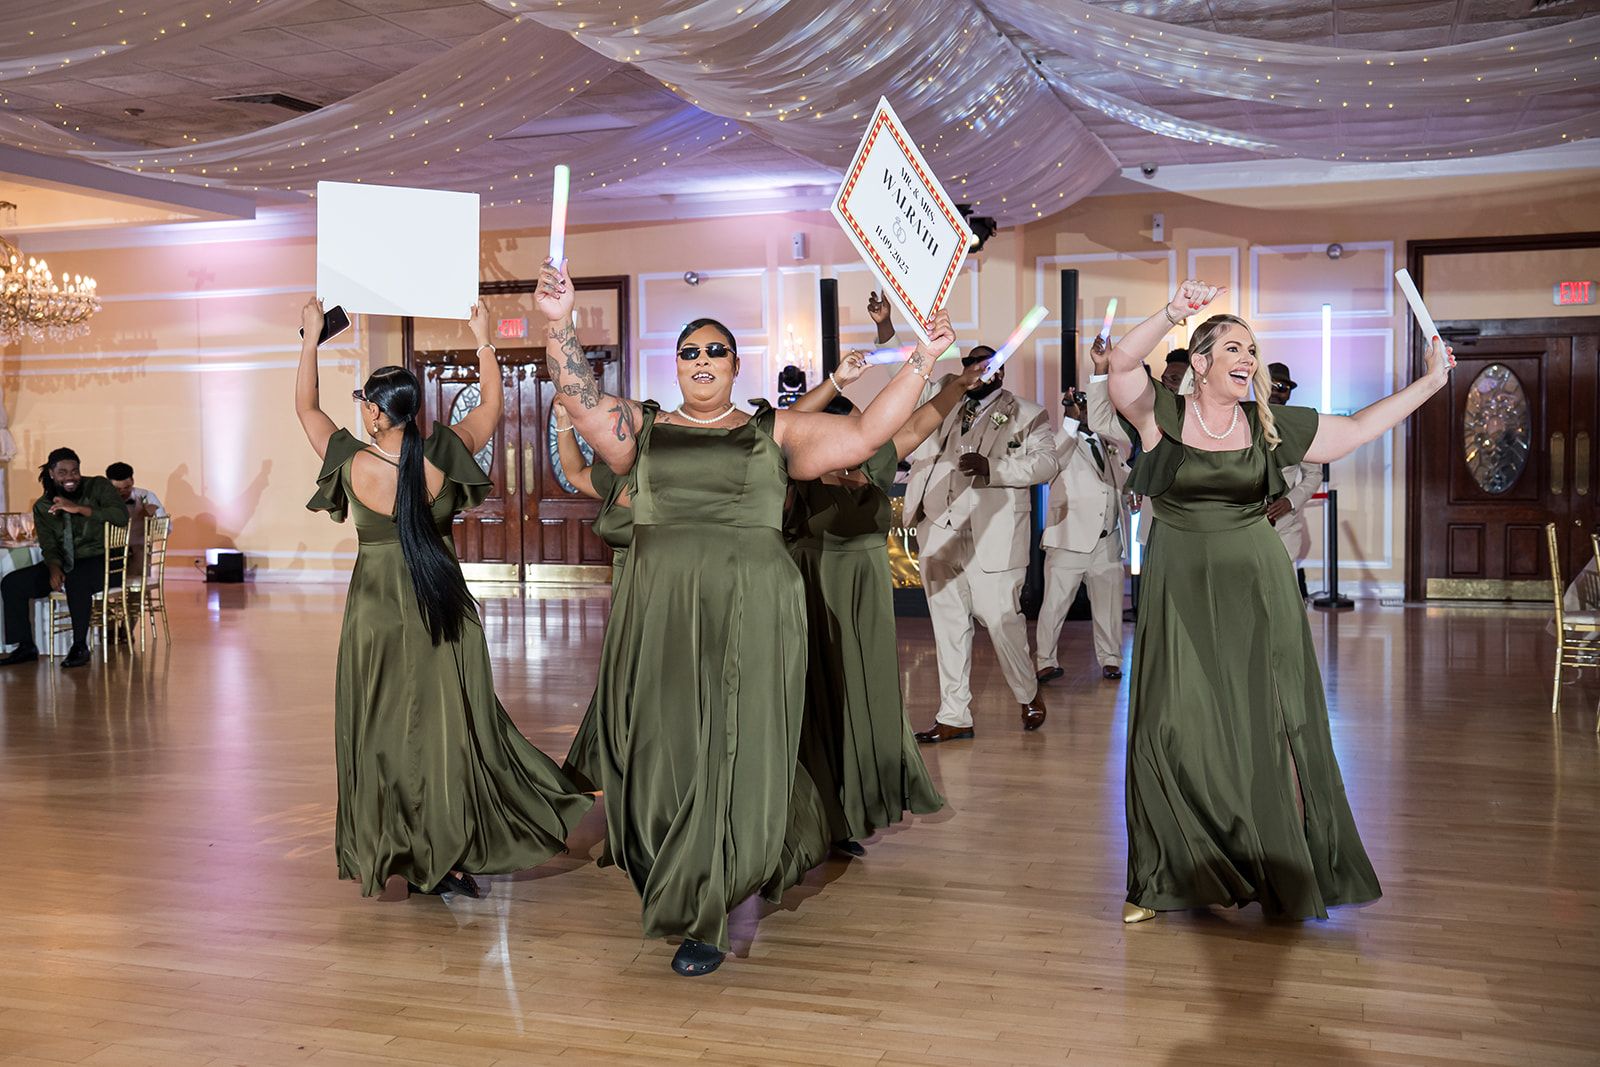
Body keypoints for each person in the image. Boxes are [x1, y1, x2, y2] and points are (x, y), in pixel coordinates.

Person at [537, 258, 953, 977]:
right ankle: (678, 863)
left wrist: (922, 361)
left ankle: (709, 904)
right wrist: (559, 325)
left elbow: (862, 438)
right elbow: (577, 399)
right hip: (663, 613)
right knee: (661, 748)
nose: (701, 360)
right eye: (689, 351)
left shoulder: (775, 431)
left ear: (736, 365)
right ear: (677, 366)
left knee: (732, 745)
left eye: (715, 350)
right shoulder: (644, 428)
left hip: (753, 610)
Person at [1107, 279, 1451, 924]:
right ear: (1201, 361)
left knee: (1264, 723)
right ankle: (1161, 876)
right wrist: (1171, 314)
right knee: (1169, 725)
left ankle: (1274, 867)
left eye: (1253, 350)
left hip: (1258, 586)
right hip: (1178, 585)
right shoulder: (1163, 416)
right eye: (1234, 347)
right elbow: (1122, 365)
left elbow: (1354, 429)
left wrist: (1429, 383)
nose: (1248, 358)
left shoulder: (1268, 424)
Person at [296, 298, 592, 902]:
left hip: (376, 614)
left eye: (366, 406)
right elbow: (491, 407)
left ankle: (400, 849)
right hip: (442, 607)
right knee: (449, 730)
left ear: (377, 414)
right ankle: (448, 849)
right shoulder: (441, 453)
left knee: (381, 732)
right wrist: (484, 339)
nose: (363, 413)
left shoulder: (350, 461)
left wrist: (309, 339)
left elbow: (305, 406)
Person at [781, 350, 986, 853]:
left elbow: (919, 421)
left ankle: (850, 814)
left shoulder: (874, 460)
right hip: (815, 589)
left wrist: (959, 384)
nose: (864, 434)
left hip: (867, 595)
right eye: (852, 427)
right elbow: (787, 428)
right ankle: (815, 817)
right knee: (819, 700)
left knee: (863, 697)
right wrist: (831, 384)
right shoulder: (799, 472)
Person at [904, 348, 1056, 743]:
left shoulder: (1027, 412)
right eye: (975, 364)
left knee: (1002, 620)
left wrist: (996, 469)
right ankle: (954, 715)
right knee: (949, 626)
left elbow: (1046, 464)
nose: (983, 371)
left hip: (995, 533)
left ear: (1002, 372)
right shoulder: (943, 400)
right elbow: (907, 385)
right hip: (939, 527)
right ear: (965, 369)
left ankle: (1027, 692)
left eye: (992, 365)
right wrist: (888, 330)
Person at [550, 407, 633, 794]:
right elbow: (572, 471)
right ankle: (615, 766)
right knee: (620, 682)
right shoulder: (618, 479)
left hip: (664, 591)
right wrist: (563, 421)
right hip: (626, 601)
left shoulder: (674, 480)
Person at [1035, 378, 1132, 686]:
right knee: (1054, 604)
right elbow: (1051, 464)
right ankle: (1045, 661)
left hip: (1108, 539)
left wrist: (1133, 491)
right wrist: (1069, 422)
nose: (1086, 410)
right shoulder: (1059, 441)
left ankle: (1111, 659)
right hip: (1069, 539)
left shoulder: (1109, 444)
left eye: (1091, 405)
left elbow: (1124, 478)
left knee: (1109, 604)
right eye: (1083, 405)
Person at [1, 448, 129, 669]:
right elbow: (49, 544)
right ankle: (25, 646)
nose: (70, 477)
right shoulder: (43, 506)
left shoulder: (98, 486)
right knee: (13, 583)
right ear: (51, 473)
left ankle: (79, 646)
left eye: (75, 471)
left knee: (76, 578)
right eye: (63, 472)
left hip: (105, 560)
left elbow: (120, 516)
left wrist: (79, 508)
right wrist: (53, 567)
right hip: (66, 562)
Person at [1265, 363, 1321, 599]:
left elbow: (1314, 473)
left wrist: (1290, 501)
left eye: (1284, 387)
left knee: (1283, 591)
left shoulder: (1300, 426)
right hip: (1244, 519)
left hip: (1284, 522)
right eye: (1273, 385)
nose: (1278, 391)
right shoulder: (1242, 418)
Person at [106, 462, 167, 572]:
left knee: (140, 560)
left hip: (138, 549)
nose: (123, 492)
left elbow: (166, 528)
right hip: (110, 552)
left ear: (133, 481)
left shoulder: (146, 496)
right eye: (117, 489)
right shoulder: (103, 499)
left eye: (127, 487)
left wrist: (149, 518)